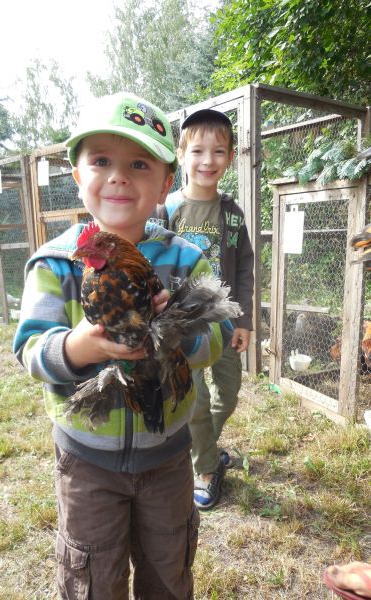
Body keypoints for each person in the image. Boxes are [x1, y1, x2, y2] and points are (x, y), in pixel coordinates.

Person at [13, 93, 224, 599]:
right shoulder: (55, 263)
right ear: (76, 176)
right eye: (101, 161)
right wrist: (80, 348)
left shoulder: (186, 258)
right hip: (87, 459)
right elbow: (31, 349)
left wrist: (173, 332)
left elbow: (215, 339)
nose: (119, 177)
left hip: (168, 453)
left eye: (138, 163)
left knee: (167, 570)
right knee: (92, 578)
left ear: (165, 183)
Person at [152, 108, 254, 510]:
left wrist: (244, 321)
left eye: (218, 151)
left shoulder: (232, 215)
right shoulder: (166, 211)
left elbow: (245, 268)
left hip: (225, 322)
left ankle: (203, 444)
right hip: (184, 328)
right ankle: (207, 467)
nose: (207, 160)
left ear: (230, 157)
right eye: (197, 151)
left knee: (226, 394)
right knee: (191, 399)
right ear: (180, 155)